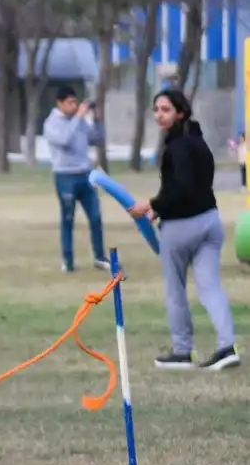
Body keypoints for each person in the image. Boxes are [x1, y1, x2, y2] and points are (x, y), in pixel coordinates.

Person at [128, 89, 239, 372]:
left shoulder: (177, 146)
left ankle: (182, 351)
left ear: (180, 112)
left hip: (181, 228)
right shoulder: (198, 141)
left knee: (175, 290)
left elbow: (181, 187)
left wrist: (151, 204)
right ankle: (227, 347)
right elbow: (189, 188)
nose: (159, 115)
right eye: (156, 110)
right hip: (211, 221)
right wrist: (157, 209)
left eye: (165, 110)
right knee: (210, 288)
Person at [42, 86, 107, 272]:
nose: (74, 106)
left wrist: (97, 119)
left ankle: (99, 258)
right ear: (59, 103)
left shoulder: (80, 122)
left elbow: (97, 139)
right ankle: (68, 262)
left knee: (95, 217)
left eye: (75, 102)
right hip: (65, 176)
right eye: (70, 103)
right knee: (68, 219)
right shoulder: (51, 123)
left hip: (85, 174)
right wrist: (78, 117)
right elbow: (64, 140)